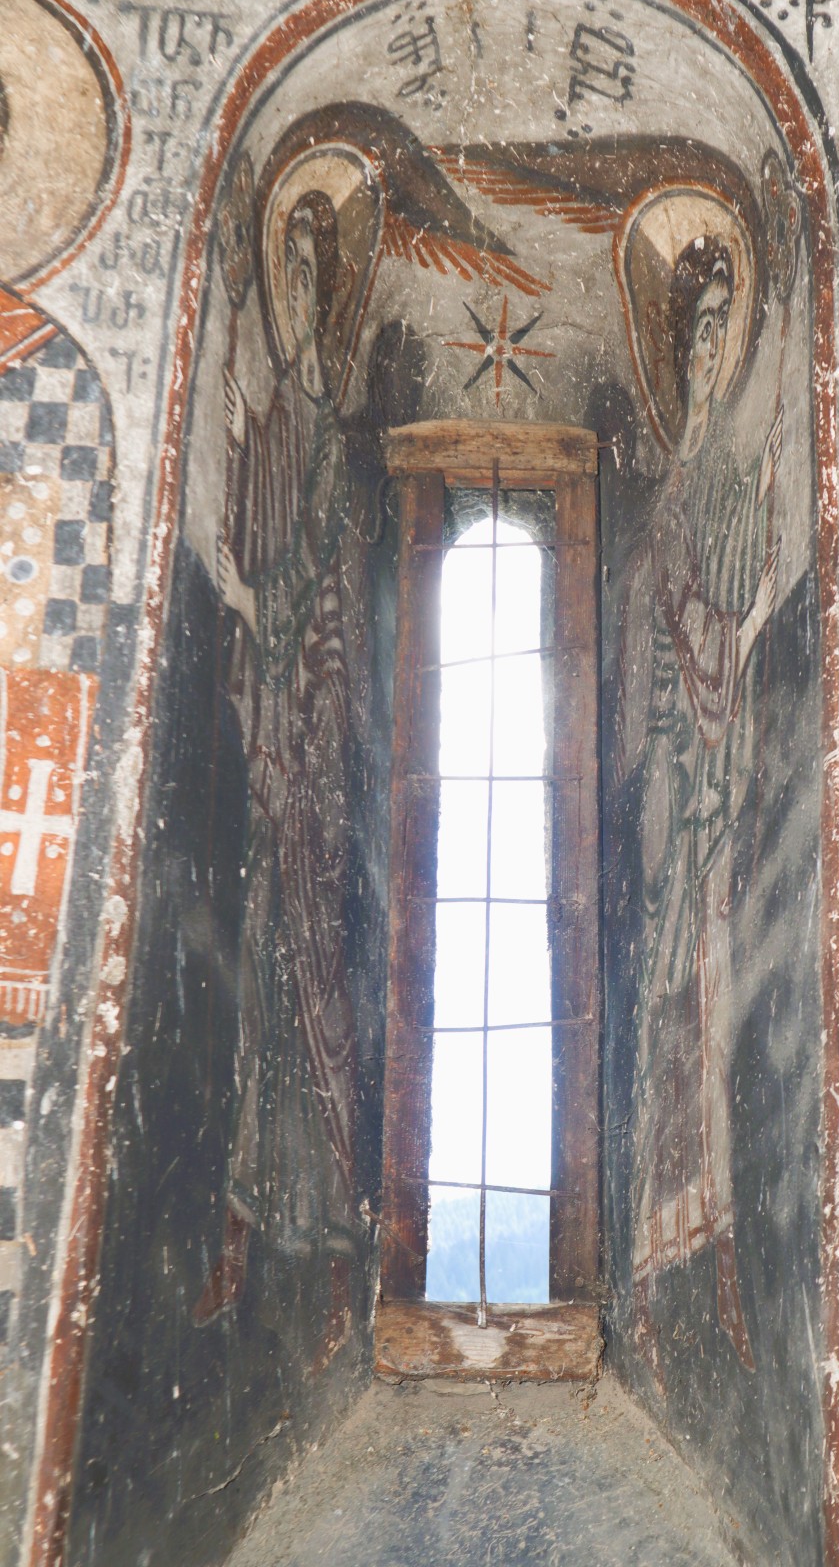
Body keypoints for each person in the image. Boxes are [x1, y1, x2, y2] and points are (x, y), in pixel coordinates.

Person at [192, 189, 359, 1361]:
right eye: (285, 274)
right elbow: (241, 551)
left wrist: (287, 640)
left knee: (315, 998)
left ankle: (334, 1245)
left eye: (311, 278)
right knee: (257, 995)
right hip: (263, 749)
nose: (296, 296)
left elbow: (327, 603)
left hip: (312, 764)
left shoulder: (332, 451)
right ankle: (242, 1232)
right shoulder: (259, 431)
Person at [616, 237, 780, 1374]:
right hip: (671, 805)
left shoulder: (729, 482)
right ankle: (657, 1254)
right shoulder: (670, 501)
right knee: (667, 1017)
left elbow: (733, 611)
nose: (710, 351)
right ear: (675, 361)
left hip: (711, 799)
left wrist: (740, 626)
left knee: (710, 1014)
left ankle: (711, 1249)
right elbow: (655, 658)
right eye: (696, 335)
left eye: (725, 329)